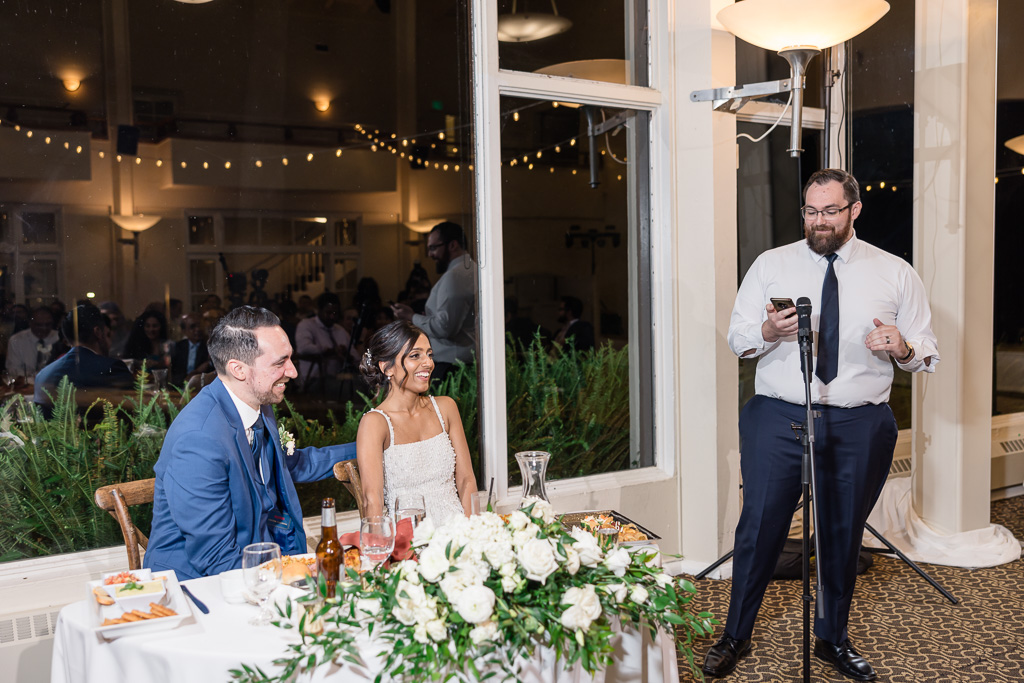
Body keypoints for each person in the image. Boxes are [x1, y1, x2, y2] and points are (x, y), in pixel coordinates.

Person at [702, 169, 939, 681]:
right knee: (759, 528)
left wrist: (903, 347)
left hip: (859, 424)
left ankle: (832, 640)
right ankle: (735, 635)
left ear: (855, 210)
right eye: (811, 210)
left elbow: (926, 351)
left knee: (840, 535)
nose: (819, 220)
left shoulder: (894, 271)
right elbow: (739, 337)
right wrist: (767, 330)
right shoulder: (772, 264)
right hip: (778, 416)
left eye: (830, 210)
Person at [144, 306, 357, 579]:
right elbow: (216, 557)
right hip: (196, 589)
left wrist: (369, 446)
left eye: (290, 359)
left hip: (255, 568)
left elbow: (293, 464)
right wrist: (291, 577)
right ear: (238, 369)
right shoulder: (198, 439)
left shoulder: (256, 404)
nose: (293, 372)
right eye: (280, 363)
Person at [355, 320, 477, 523]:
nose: (428, 363)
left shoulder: (446, 408)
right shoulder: (375, 423)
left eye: (430, 354)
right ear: (387, 368)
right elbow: (372, 500)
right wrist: (380, 548)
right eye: (415, 356)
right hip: (409, 541)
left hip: (457, 533)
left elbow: (467, 480)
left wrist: (472, 533)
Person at [391, 222, 477, 385]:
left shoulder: (455, 276)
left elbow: (445, 327)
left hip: (451, 366)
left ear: (453, 245)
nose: (430, 255)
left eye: (433, 248)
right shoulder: (472, 270)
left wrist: (411, 317)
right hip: (462, 361)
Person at [34, 304, 133, 417]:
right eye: (107, 334)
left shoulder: (42, 375)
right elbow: (131, 414)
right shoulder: (113, 368)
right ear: (98, 332)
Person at [295, 292, 353, 390]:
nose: (332, 317)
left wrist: (346, 354)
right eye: (328, 313)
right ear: (319, 310)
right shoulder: (306, 325)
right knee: (346, 387)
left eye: (334, 313)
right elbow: (304, 348)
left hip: (337, 377)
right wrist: (328, 350)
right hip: (314, 379)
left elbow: (355, 356)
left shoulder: (340, 330)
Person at [5, 306, 60, 378]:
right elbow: (13, 369)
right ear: (30, 323)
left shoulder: (59, 338)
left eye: (48, 324)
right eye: (39, 325)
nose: (44, 328)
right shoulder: (17, 340)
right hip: (25, 386)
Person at [169, 313, 212, 387]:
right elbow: (174, 374)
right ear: (184, 331)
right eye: (193, 327)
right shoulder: (178, 347)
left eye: (200, 325)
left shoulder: (209, 346)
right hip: (181, 388)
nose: (198, 329)